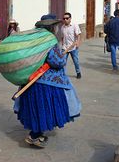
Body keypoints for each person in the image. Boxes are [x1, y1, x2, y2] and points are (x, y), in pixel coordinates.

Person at [16, 14, 81, 147]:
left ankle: (37, 134)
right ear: (52, 27)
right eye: (56, 26)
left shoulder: (34, 39)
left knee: (36, 108)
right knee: (43, 108)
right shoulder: (49, 40)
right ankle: (33, 136)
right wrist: (62, 57)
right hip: (45, 82)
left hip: (31, 80)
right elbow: (56, 61)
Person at [61, 12, 82, 79]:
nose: (65, 20)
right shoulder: (62, 27)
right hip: (65, 47)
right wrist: (62, 44)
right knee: (63, 62)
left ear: (70, 19)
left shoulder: (74, 25)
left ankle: (78, 72)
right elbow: (62, 37)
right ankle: (62, 74)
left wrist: (78, 42)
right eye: (64, 18)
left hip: (73, 47)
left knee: (76, 61)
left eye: (67, 18)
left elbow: (78, 35)